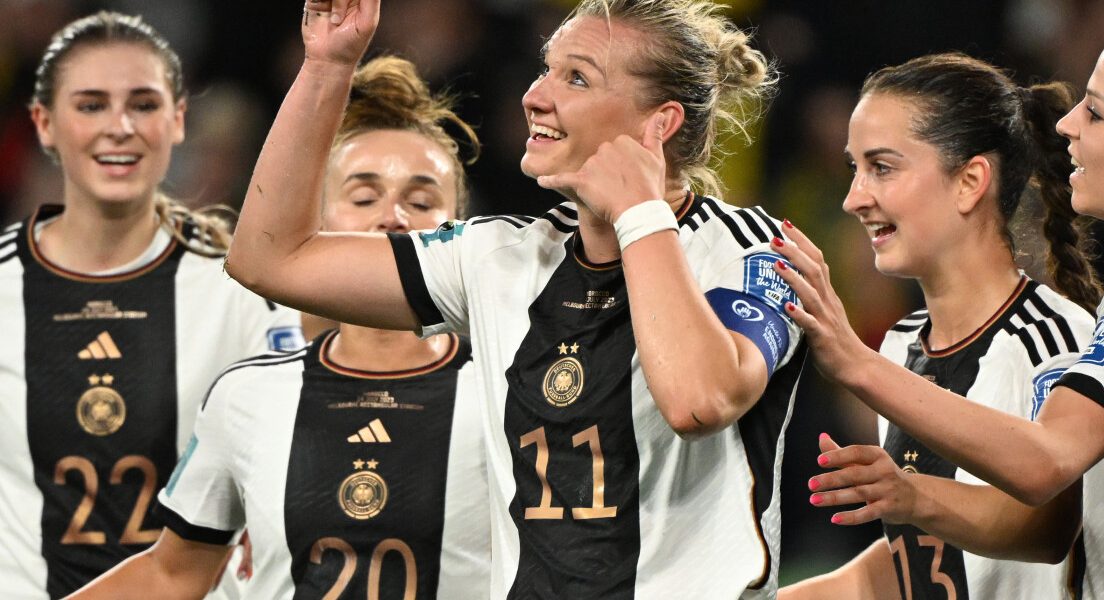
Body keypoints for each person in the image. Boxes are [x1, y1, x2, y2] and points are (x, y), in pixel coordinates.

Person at [225, 0, 806, 597]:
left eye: (575, 77)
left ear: (658, 124)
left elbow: (699, 402)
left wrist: (638, 213)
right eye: (545, 69)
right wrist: (327, 66)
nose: (534, 96)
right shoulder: (498, 257)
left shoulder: (754, 251)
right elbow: (268, 258)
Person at [773, 12, 1104, 600]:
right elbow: (924, 564)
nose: (1069, 123)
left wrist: (854, 362)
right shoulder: (905, 342)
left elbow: (1046, 490)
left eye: (1097, 111)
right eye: (855, 167)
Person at [67, 54, 490, 600]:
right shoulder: (248, 395)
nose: (394, 217)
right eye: (363, 196)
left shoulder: (509, 392)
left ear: (462, 229)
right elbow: (172, 572)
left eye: (422, 199)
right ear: (314, 224)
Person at [0, 11, 304, 599]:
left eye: (142, 104)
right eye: (90, 105)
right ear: (43, 123)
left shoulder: (241, 291)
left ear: (179, 119)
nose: (119, 127)